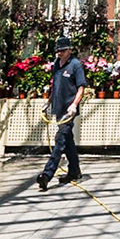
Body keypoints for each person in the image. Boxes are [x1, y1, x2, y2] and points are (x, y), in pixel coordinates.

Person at [38, 34, 85, 189]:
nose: (60, 53)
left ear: (69, 50)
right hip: (58, 108)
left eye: (63, 51)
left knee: (60, 140)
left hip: (69, 110)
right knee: (68, 142)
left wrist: (74, 105)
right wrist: (49, 102)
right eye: (58, 51)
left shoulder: (76, 65)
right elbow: (55, 86)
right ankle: (74, 171)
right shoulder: (57, 64)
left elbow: (81, 87)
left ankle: (47, 174)